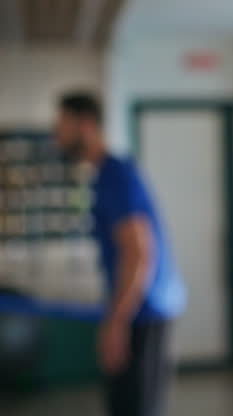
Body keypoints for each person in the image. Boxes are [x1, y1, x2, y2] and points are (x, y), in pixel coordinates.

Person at [54, 92, 185, 416]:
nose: (55, 133)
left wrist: (116, 320)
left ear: (85, 125)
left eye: (61, 124)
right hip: (140, 307)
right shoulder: (105, 175)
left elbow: (139, 252)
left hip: (144, 310)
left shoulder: (116, 175)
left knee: (136, 407)